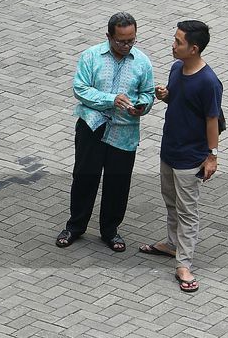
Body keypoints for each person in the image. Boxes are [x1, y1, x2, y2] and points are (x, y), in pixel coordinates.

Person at [56, 13, 155, 252]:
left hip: (124, 132)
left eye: (131, 40)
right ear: (109, 36)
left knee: (118, 182)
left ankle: (110, 230)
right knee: (84, 177)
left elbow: (148, 93)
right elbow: (80, 89)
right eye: (121, 41)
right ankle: (75, 226)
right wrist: (111, 100)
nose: (126, 45)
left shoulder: (142, 62)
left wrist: (142, 106)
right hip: (92, 126)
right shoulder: (91, 56)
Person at [138, 20, 222, 293]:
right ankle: (172, 244)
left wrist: (212, 156)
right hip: (169, 151)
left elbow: (212, 120)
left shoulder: (208, 82)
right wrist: (166, 95)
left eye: (178, 42)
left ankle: (183, 263)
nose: (172, 46)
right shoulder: (177, 68)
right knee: (171, 202)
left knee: (188, 211)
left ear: (194, 48)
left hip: (190, 158)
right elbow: (180, 101)